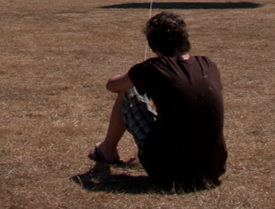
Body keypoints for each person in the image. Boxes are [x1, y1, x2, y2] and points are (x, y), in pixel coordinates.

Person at [88, 11, 227, 187]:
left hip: (170, 173)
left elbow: (112, 85)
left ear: (153, 44)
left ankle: (107, 150)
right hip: (213, 169)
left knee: (127, 93)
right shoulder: (208, 65)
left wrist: (138, 72)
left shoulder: (153, 69)